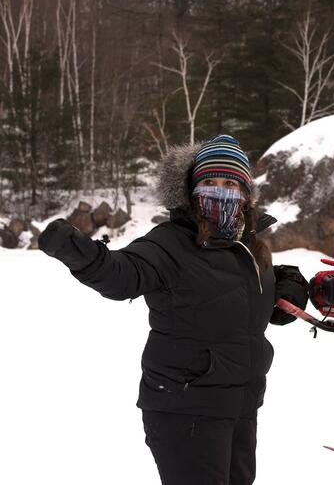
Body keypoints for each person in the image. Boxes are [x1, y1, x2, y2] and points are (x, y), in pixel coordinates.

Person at [38, 135, 308, 485]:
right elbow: (124, 274)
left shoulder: (249, 247)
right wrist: (80, 253)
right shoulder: (169, 242)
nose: (219, 192)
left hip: (240, 406)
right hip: (187, 411)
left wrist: (290, 282)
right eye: (209, 182)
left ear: (245, 194)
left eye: (229, 183)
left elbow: (242, 288)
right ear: (191, 191)